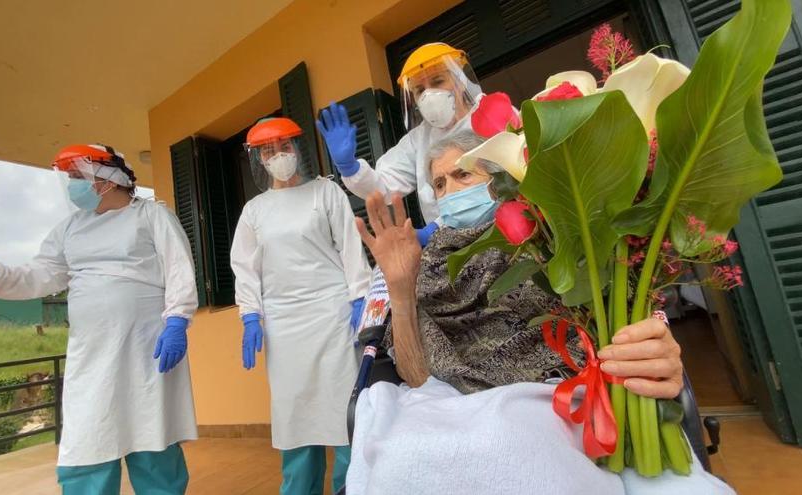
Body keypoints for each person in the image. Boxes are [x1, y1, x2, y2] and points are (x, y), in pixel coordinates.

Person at [345, 132, 733, 494]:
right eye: (440, 185)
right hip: (450, 402)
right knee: (402, 459)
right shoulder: (423, 262)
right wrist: (400, 287)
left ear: (498, 181)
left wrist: (654, 347)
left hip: (551, 395)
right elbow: (417, 379)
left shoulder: (551, 242)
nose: (448, 192)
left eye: (462, 174)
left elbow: (620, 319)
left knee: (499, 442)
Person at [0, 144, 198, 495]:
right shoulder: (70, 229)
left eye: (78, 176)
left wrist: (178, 321)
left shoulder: (151, 217)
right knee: (87, 441)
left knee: (153, 439)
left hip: (147, 348)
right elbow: (39, 275)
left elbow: (179, 269)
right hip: (91, 356)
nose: (72, 185)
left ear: (106, 178)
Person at [230, 117, 372, 494]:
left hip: (334, 316)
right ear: (258, 159)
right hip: (283, 327)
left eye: (284, 146)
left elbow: (350, 246)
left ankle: (352, 488)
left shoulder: (326, 193)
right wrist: (250, 315)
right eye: (267, 150)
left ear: (298, 148)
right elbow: (245, 268)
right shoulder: (254, 211)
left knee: (344, 414)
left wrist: (360, 297)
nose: (277, 155)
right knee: (295, 418)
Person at [318, 42, 489, 246]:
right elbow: (383, 186)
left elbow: (513, 177)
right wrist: (349, 167)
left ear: (460, 81)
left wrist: (435, 228)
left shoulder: (494, 114)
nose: (428, 94)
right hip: (451, 247)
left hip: (506, 234)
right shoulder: (418, 140)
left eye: (437, 81)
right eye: (419, 90)